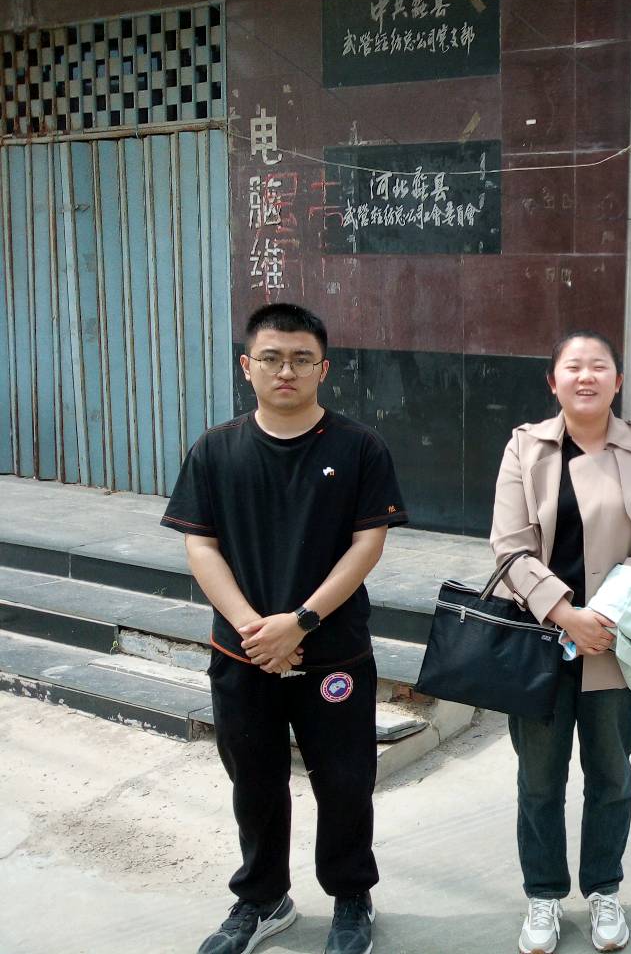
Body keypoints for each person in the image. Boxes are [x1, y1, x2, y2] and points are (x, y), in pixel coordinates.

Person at [162, 303, 408, 954]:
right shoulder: (215, 450)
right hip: (243, 654)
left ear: (323, 369)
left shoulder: (359, 448)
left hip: (333, 653)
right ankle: (263, 898)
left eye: (302, 359)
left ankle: (351, 897)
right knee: (255, 783)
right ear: (247, 367)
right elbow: (200, 546)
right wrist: (255, 629)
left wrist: (300, 622)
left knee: (345, 782)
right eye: (271, 358)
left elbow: (367, 544)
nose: (286, 371)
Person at [491, 330, 631, 954]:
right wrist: (566, 614)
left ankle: (603, 890)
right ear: (554, 381)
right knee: (539, 780)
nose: (587, 376)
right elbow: (509, 547)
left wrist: (606, 613)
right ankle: (543, 895)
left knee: (612, 773)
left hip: (615, 643)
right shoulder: (525, 447)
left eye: (600, 366)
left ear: (618, 382)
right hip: (542, 643)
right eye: (574, 366)